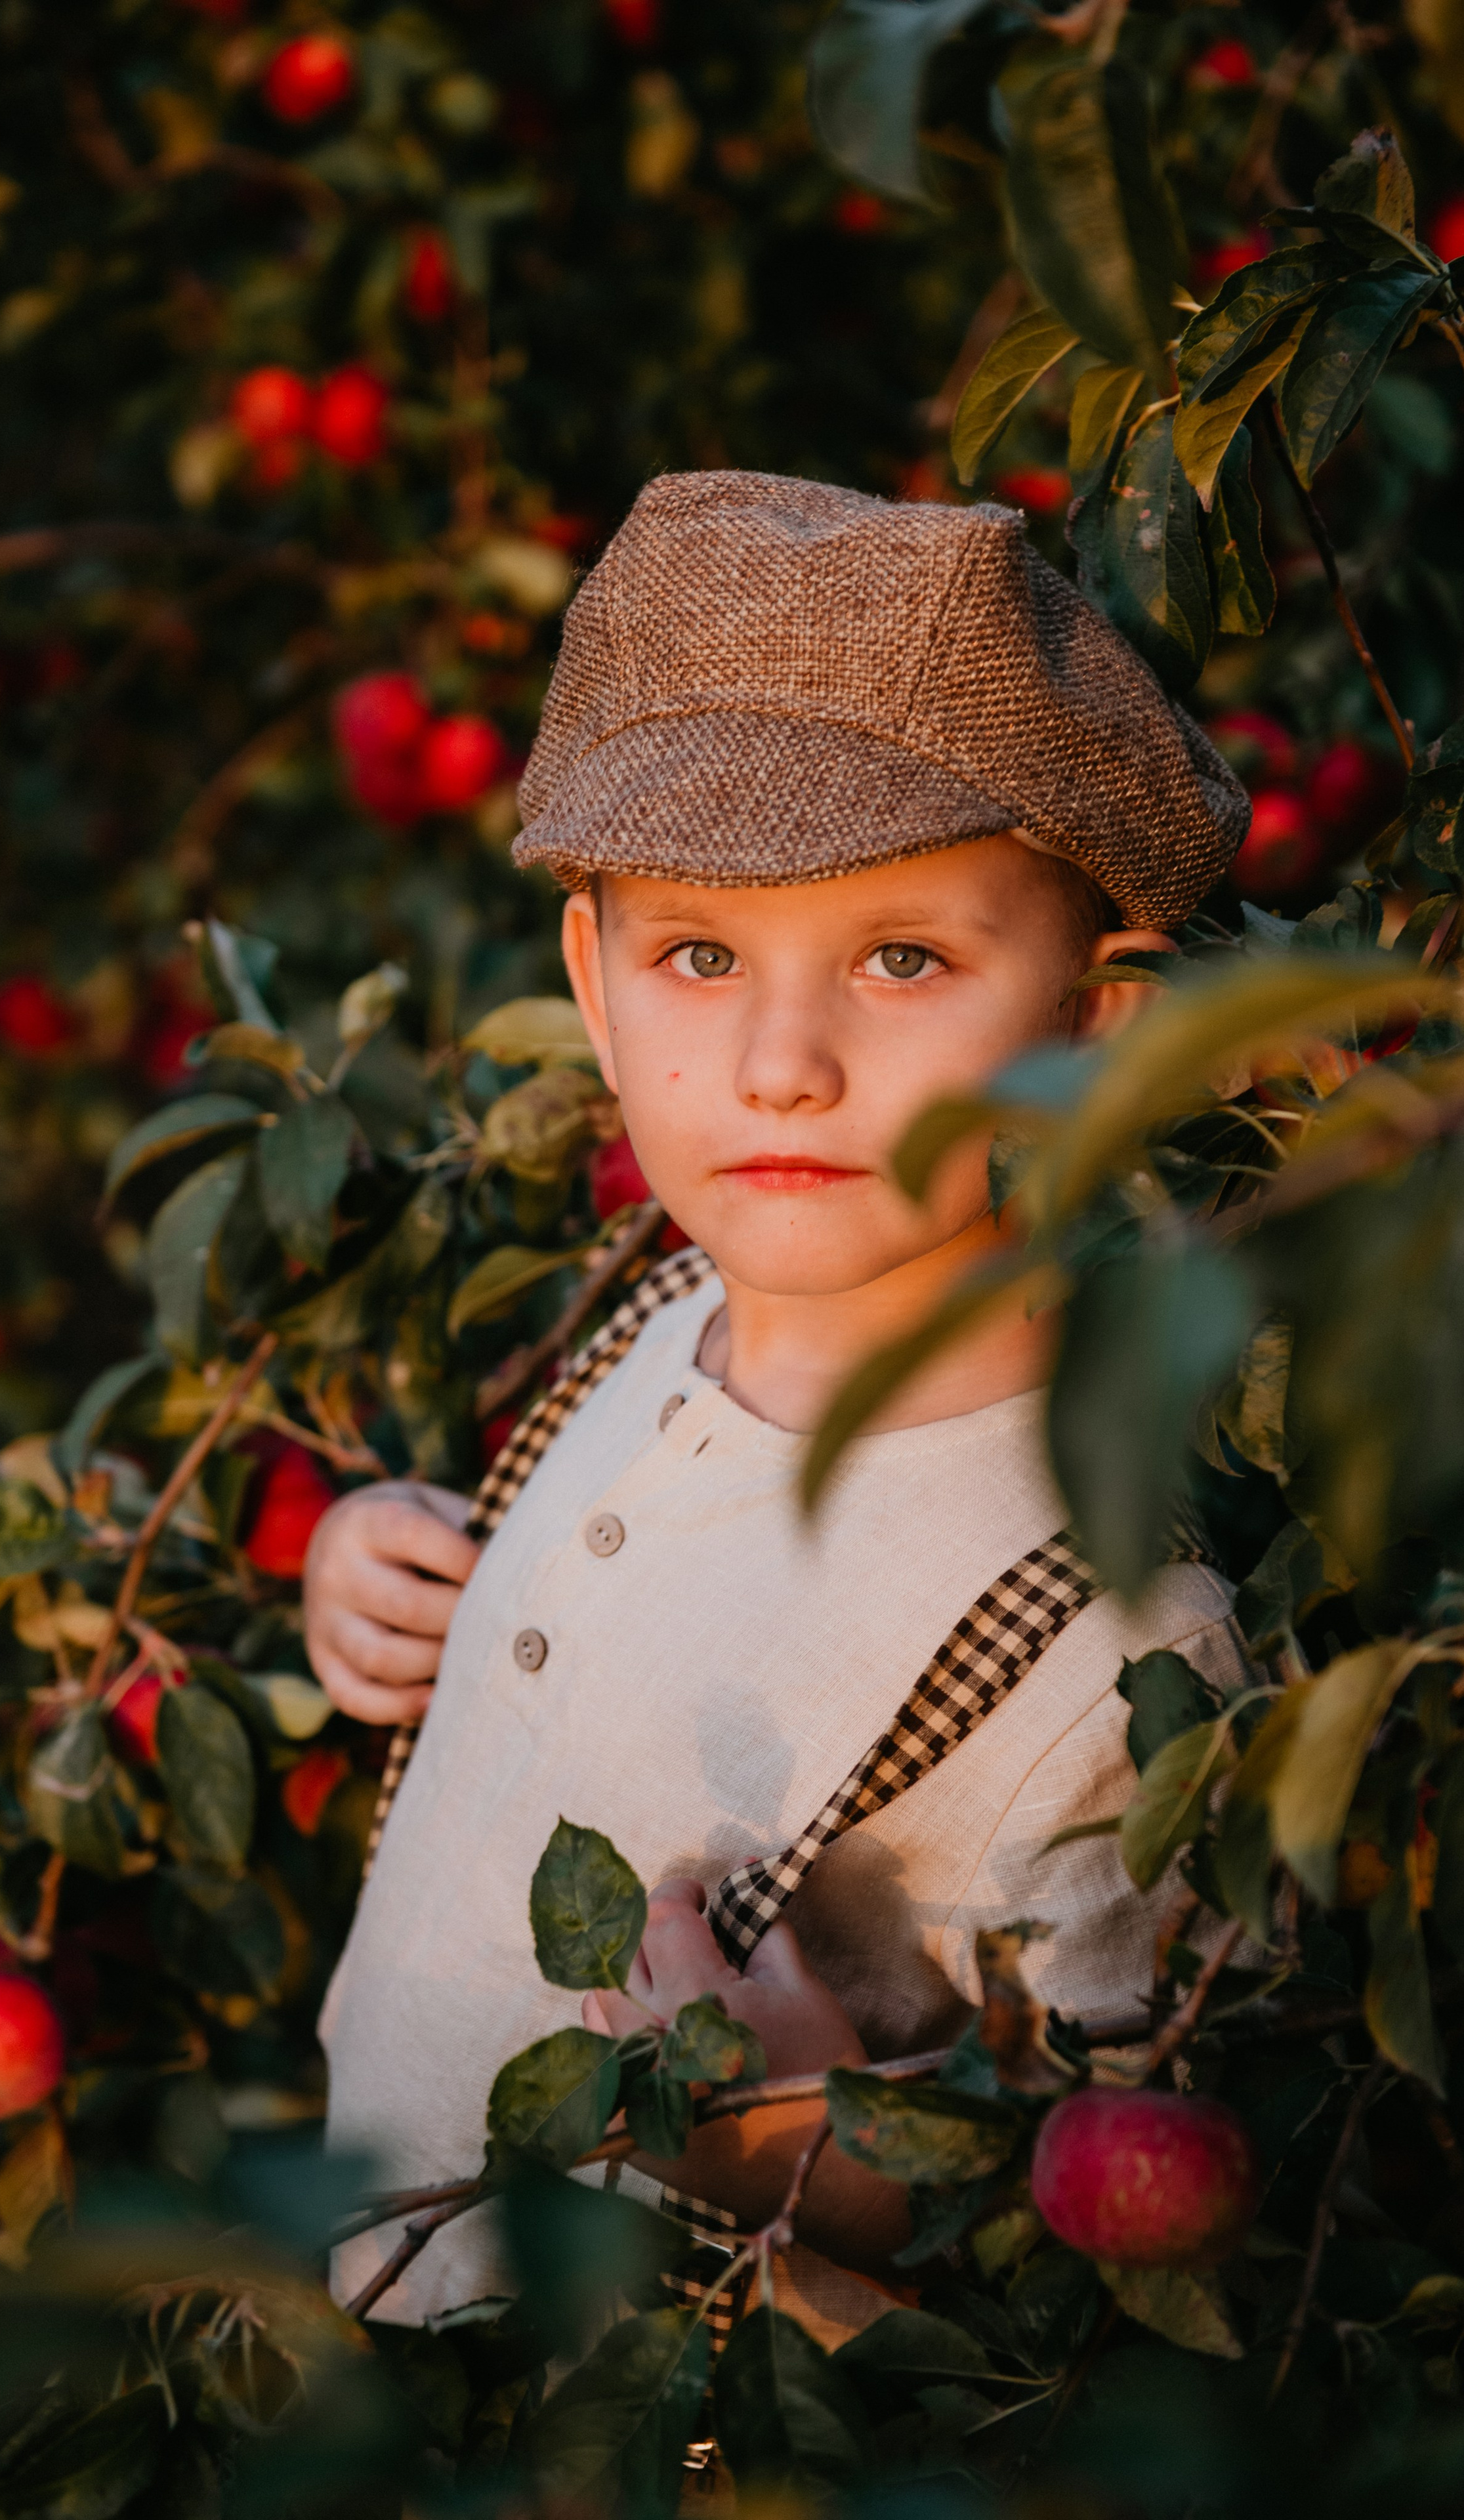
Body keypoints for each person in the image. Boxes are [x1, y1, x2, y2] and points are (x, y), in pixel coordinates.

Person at [304, 470, 1253, 2342]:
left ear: (1096, 1025)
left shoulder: (1114, 1655)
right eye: (700, 955)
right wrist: (374, 1569)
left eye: (904, 960)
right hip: (337, 2342)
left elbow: (1092, 2256)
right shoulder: (652, 1324)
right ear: (591, 984)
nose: (782, 1063)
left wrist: (776, 2136)